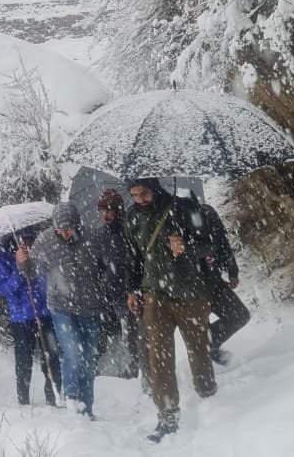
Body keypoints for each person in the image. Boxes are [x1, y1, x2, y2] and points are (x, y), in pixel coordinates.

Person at [123, 178, 217, 443]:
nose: (140, 199)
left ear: (155, 188)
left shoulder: (184, 207)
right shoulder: (132, 217)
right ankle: (167, 415)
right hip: (154, 295)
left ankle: (208, 396)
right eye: (134, 194)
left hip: (191, 293)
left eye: (144, 193)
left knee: (198, 348)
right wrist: (132, 289)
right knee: (159, 356)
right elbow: (132, 257)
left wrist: (187, 245)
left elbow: (210, 244)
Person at [24, 203, 109, 418]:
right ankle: (71, 397)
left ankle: (86, 409)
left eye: (68, 229)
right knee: (73, 352)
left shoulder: (93, 237)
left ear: (77, 224)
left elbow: (106, 267)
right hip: (61, 307)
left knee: (88, 359)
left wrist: (102, 288)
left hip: (91, 306)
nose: (64, 233)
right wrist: (22, 263)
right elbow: (30, 273)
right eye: (60, 230)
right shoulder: (44, 240)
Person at [0, 228, 61, 407]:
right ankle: (23, 400)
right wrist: (19, 269)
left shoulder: (40, 250)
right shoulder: (4, 258)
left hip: (44, 313)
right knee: (24, 361)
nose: (28, 244)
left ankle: (54, 396)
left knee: (51, 357)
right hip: (21, 317)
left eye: (31, 240)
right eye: (25, 241)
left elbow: (49, 277)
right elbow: (4, 289)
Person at [93, 189, 147, 385]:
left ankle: (139, 372)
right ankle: (120, 373)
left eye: (108, 210)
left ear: (117, 209)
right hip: (111, 294)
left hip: (133, 291)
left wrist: (134, 286)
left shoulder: (130, 229)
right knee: (115, 335)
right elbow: (99, 264)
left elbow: (139, 260)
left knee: (136, 335)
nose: (105, 215)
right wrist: (102, 283)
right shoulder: (101, 235)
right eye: (102, 210)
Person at [199, 203, 250, 365]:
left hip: (215, 283)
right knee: (198, 327)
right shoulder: (176, 223)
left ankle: (209, 344)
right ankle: (204, 353)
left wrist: (232, 272)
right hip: (191, 289)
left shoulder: (207, 214)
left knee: (239, 315)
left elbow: (223, 245)